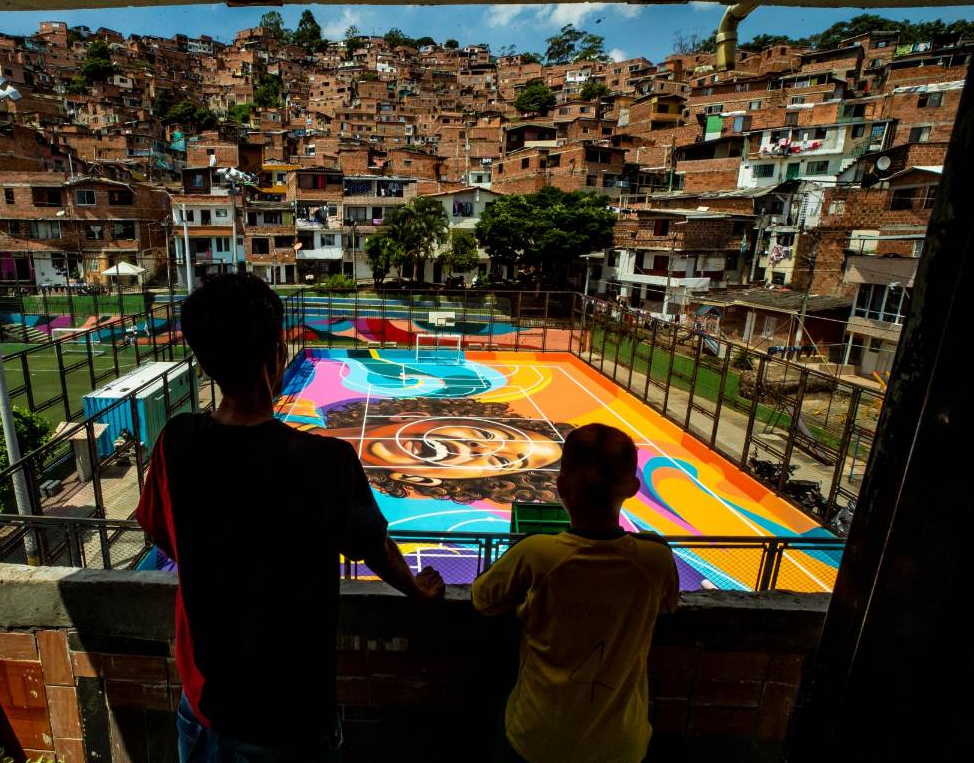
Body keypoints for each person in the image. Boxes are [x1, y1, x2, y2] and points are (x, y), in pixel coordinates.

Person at [138, 274, 445, 763]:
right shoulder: (326, 462)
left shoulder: (176, 442)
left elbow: (160, 532)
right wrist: (417, 589)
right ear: (275, 356)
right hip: (290, 725)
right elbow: (375, 547)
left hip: (201, 714)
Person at [472, 423, 679, 763]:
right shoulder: (655, 559)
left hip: (536, 739)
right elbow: (668, 606)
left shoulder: (536, 554)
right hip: (621, 746)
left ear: (561, 486)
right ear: (631, 488)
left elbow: (482, 599)